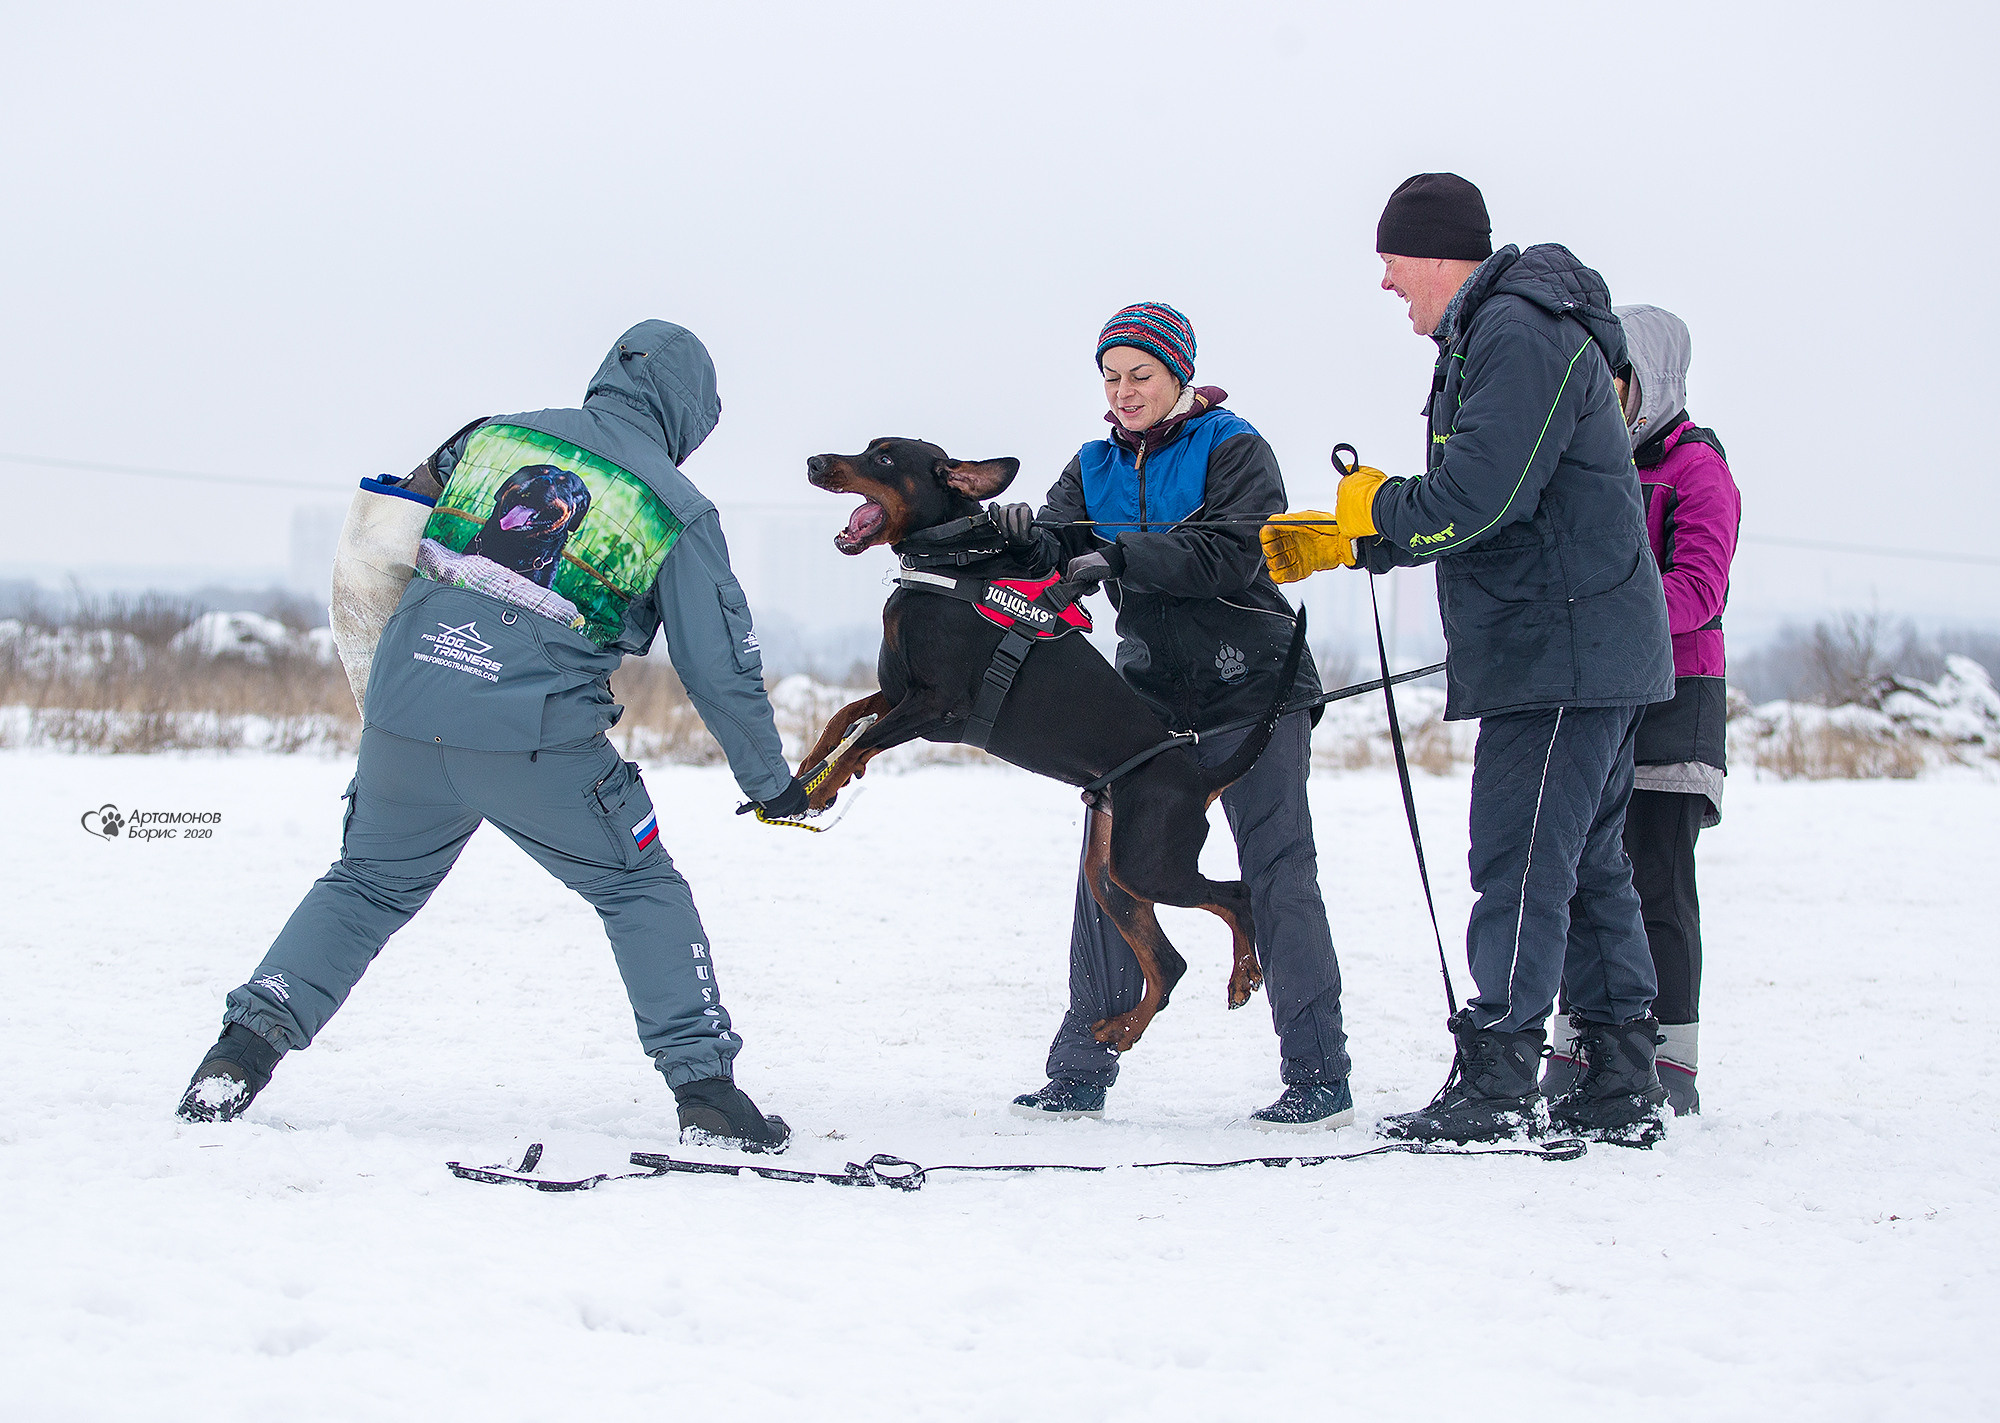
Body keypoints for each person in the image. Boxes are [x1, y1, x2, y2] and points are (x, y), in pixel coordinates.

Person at [176, 320, 807, 1152]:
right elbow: (718, 664)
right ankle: (708, 1095)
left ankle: (235, 1057)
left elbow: (383, 532)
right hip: (533, 739)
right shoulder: (676, 506)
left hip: (404, 712)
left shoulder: (491, 435)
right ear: (689, 415)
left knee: (365, 884)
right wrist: (771, 783)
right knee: (638, 887)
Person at [1260, 174, 1676, 1143]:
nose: (1385, 283)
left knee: (1519, 861)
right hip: (1579, 647)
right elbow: (1489, 500)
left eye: (1391, 262)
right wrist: (1355, 538)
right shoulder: (1502, 330)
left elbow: (1481, 497)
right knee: (1585, 867)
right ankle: (1618, 1077)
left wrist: (1371, 510)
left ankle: (1498, 1078)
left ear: (1436, 253)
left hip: (1561, 652)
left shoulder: (1515, 332)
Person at [994, 301, 1354, 1129]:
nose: (1123, 393)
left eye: (1140, 375)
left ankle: (1318, 1074)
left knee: (1279, 870)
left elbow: (1231, 552)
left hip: (1252, 685)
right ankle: (1080, 1070)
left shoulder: (1234, 446)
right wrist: (1017, 535)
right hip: (1149, 697)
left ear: (1180, 374)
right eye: (1110, 379)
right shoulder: (1092, 464)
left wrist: (1119, 555)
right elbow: (1051, 547)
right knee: (1108, 867)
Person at [1541, 305, 1740, 1116]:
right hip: (1603, 693)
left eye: (1609, 377)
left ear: (1646, 379)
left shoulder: (1697, 469)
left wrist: (1604, 608)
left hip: (1676, 697)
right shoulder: (1593, 464)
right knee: (1587, 875)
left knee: (1657, 878)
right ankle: (1582, 1039)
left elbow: (1699, 588)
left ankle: (1670, 1056)